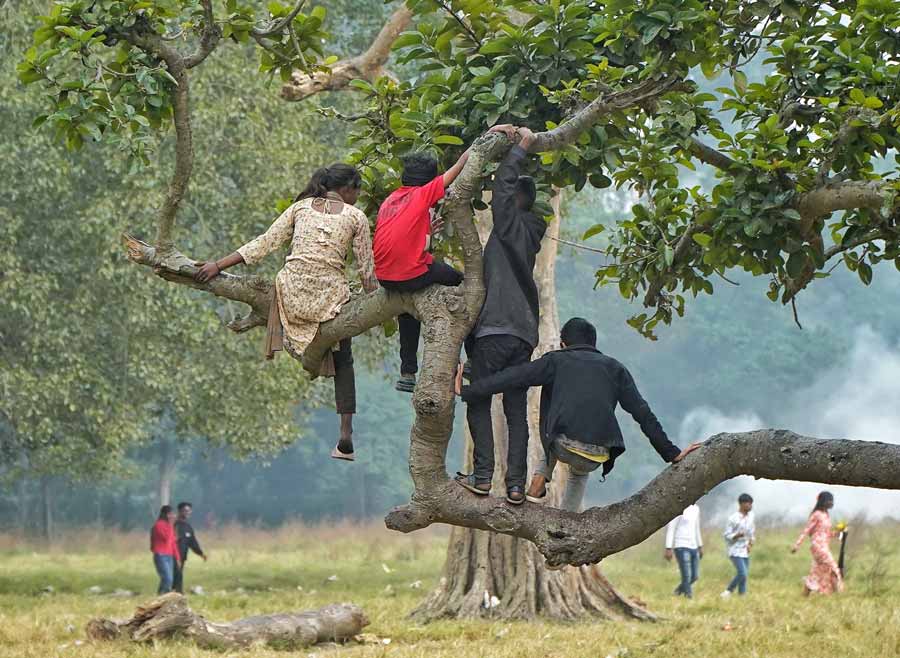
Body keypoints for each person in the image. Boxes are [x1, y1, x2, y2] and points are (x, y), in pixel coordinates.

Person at [195, 164, 377, 460]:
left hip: (291, 293)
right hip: (329, 298)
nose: (359, 198)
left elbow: (263, 243)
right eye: (358, 191)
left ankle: (313, 357)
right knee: (345, 359)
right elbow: (366, 271)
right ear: (348, 189)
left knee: (323, 344)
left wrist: (217, 265)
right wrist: (378, 305)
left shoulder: (300, 208)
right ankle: (346, 431)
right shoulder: (356, 217)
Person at [456, 317, 701, 508]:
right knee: (580, 472)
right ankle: (565, 526)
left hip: (561, 445)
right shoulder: (616, 369)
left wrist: (469, 391)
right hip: (599, 454)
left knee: (557, 420)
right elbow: (642, 413)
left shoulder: (555, 360)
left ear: (563, 343)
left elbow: (512, 377)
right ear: (594, 344)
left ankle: (539, 479)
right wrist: (672, 453)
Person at [453, 125, 547, 504]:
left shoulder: (511, 226)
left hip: (495, 331)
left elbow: (503, 192)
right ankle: (514, 485)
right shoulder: (528, 232)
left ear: (517, 200)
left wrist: (520, 147)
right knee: (515, 412)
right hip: (522, 334)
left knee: (476, 397)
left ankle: (482, 475)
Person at [374, 144, 476, 392]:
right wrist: (477, 147)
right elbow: (458, 167)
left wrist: (430, 230)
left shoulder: (390, 200)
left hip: (386, 278)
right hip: (411, 273)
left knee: (408, 307)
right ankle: (473, 356)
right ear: (429, 181)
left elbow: (404, 241)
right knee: (464, 285)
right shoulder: (423, 194)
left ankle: (407, 372)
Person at [791, 491, 844, 595]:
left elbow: (826, 533)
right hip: (818, 546)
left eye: (832, 501)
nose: (831, 503)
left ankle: (806, 593)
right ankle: (837, 591)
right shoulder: (816, 514)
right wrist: (797, 545)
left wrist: (837, 534)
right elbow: (806, 530)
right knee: (833, 566)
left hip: (824, 545)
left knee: (817, 571)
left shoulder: (826, 515)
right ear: (822, 501)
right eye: (829, 500)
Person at [665, 504, 704, 598]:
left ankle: (677, 591)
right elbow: (671, 528)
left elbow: (696, 527)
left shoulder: (696, 508)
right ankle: (689, 597)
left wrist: (700, 545)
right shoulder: (678, 507)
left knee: (694, 576)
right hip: (681, 545)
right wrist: (668, 548)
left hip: (694, 546)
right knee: (686, 576)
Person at [721, 493, 755, 598]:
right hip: (734, 550)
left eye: (751, 504)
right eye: (748, 504)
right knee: (742, 573)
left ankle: (742, 595)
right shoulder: (733, 518)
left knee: (744, 575)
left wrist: (750, 543)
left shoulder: (751, 517)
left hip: (744, 549)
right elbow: (726, 535)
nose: (750, 506)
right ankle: (727, 592)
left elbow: (751, 532)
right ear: (742, 504)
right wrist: (736, 535)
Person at [173, 502, 207, 594]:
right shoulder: (175, 525)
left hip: (182, 557)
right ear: (180, 511)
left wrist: (201, 553)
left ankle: (176, 593)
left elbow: (192, 542)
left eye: (189, 511)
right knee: (176, 575)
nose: (187, 512)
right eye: (185, 511)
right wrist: (176, 556)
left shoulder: (188, 526)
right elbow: (171, 542)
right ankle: (176, 593)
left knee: (178, 575)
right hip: (174, 556)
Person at [150, 505, 180, 595]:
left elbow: (173, 543)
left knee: (168, 579)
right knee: (167, 579)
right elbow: (166, 538)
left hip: (169, 555)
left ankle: (160, 597)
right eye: (171, 514)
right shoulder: (158, 525)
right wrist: (171, 525)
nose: (174, 516)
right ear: (166, 515)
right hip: (161, 555)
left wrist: (177, 557)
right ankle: (163, 597)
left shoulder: (169, 526)